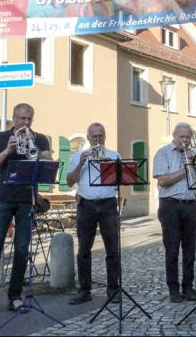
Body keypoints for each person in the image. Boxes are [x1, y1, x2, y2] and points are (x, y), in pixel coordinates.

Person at [0, 103, 52, 320]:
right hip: (3, 198)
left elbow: (48, 164)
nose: (25, 123)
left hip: (26, 199)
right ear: (14, 119)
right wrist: (8, 150)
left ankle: (15, 296)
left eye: (29, 120)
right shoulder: (1, 137)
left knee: (22, 248)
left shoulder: (41, 138)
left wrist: (32, 146)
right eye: (22, 119)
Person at [66, 123, 121, 305]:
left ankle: (113, 290)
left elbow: (122, 180)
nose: (98, 139)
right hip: (86, 205)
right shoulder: (78, 156)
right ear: (88, 138)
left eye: (101, 135)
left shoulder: (114, 155)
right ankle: (84, 290)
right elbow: (69, 182)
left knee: (113, 249)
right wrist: (81, 164)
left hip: (108, 205)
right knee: (83, 249)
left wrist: (110, 166)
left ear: (105, 136)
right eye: (94, 136)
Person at [153, 123, 196, 303]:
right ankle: (173, 289)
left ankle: (188, 287)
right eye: (182, 137)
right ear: (174, 136)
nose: (185, 140)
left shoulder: (194, 155)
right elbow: (163, 181)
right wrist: (186, 169)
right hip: (170, 206)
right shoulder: (163, 153)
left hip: (191, 204)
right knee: (172, 250)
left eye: (188, 137)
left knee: (190, 250)